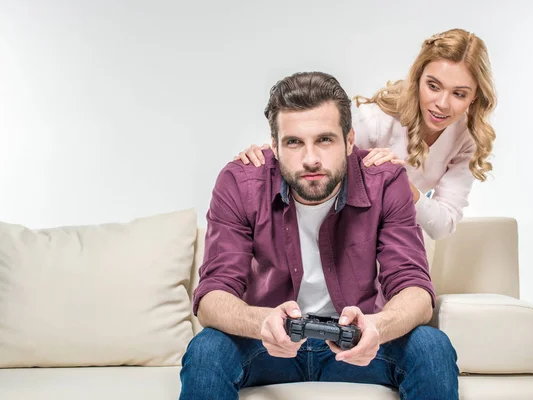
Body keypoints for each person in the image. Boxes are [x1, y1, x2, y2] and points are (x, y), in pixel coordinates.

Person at [179, 71, 458, 400]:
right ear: (275, 146)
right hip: (268, 342)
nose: (310, 158)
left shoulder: (385, 181)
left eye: (324, 139)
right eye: (294, 142)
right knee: (206, 349)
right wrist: (261, 322)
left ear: (350, 140)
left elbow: (415, 289)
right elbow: (212, 296)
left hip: (357, 340)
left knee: (432, 346)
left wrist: (378, 327)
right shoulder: (240, 182)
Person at [235, 28, 497, 240]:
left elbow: (441, 226)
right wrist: (266, 156)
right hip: (344, 230)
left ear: (475, 97)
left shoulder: (466, 140)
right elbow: (313, 150)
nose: (442, 103)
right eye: (433, 86)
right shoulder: (377, 122)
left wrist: (404, 187)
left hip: (395, 235)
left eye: (459, 93)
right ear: (417, 79)